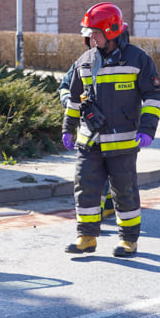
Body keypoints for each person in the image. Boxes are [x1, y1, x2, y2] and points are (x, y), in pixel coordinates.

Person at [61, 2, 160, 258]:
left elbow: (153, 95)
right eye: (89, 33)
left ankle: (129, 241)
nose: (90, 38)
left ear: (111, 31)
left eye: (95, 33)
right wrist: (68, 128)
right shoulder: (84, 61)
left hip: (123, 143)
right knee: (85, 187)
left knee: (124, 192)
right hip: (90, 142)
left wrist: (148, 129)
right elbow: (74, 99)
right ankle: (86, 237)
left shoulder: (138, 59)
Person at [59, 67, 114, 220]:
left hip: (115, 132)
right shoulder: (83, 62)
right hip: (90, 130)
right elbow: (65, 87)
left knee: (114, 173)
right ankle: (96, 214)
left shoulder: (124, 60)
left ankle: (108, 207)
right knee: (95, 175)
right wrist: (71, 104)